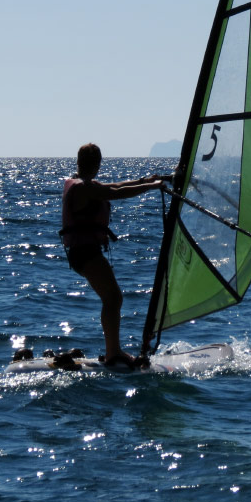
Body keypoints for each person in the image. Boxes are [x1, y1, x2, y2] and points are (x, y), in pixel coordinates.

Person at [60, 143, 166, 369]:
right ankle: (113, 353)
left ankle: (113, 351)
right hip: (84, 252)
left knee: (113, 298)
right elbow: (115, 192)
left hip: (85, 251)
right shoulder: (83, 188)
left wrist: (145, 181)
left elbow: (116, 185)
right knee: (113, 298)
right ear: (93, 164)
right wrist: (152, 187)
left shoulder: (84, 184)